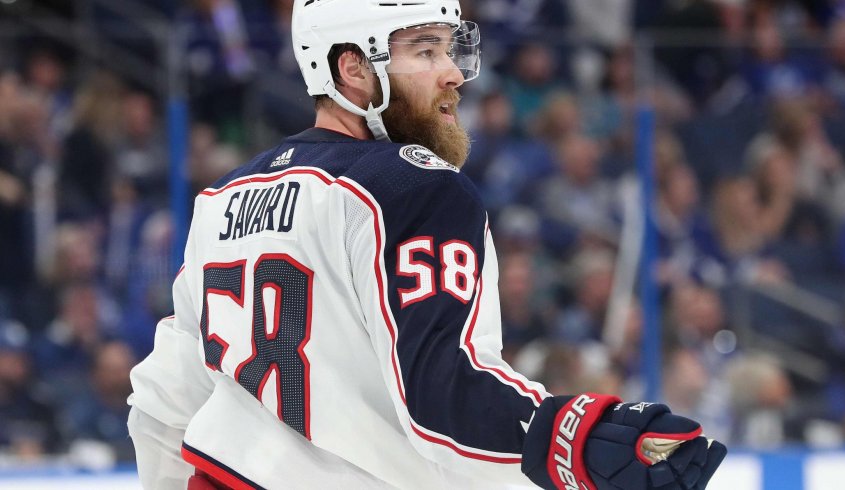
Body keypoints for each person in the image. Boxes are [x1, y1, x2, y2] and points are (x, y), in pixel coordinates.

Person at [127, 1, 726, 489]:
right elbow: (440, 396)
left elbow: (164, 398)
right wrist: (582, 437)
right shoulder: (414, 185)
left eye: (450, 47)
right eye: (423, 50)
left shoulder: (224, 197)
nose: (454, 73)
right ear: (352, 71)